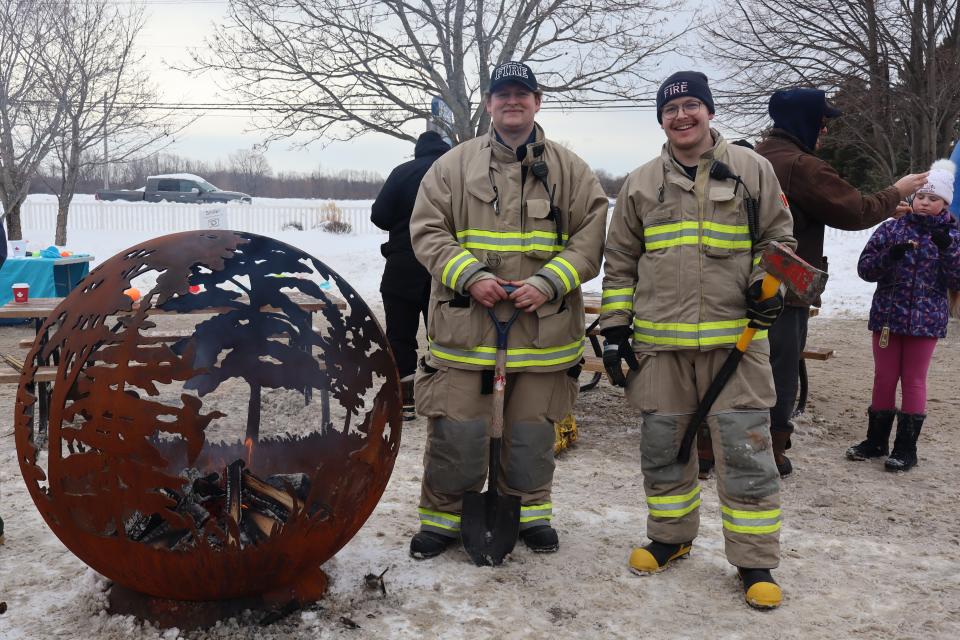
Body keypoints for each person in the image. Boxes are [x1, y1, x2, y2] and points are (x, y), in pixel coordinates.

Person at [599, 71, 796, 609]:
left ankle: (755, 559)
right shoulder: (640, 184)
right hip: (661, 350)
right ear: (661, 120)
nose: (681, 116)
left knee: (747, 455)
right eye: (671, 109)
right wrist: (616, 329)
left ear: (709, 111)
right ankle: (670, 538)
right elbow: (619, 265)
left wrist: (766, 284)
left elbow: (779, 240)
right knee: (663, 451)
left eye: (691, 105)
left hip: (737, 344)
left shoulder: (752, 169)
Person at [408, 61, 607, 559]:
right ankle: (443, 519)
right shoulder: (450, 167)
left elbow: (591, 239)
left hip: (543, 334)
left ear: (537, 102)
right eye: (502, 95)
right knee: (457, 431)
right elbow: (427, 232)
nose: (512, 102)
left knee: (531, 433)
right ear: (489, 105)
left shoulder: (571, 170)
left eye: (522, 94)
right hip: (467, 332)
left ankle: (531, 513)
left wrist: (548, 282)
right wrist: (471, 277)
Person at [752, 87, 930, 477]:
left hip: (742, 286)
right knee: (780, 373)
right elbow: (853, 211)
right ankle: (770, 450)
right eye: (822, 122)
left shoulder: (754, 157)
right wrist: (895, 191)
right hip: (783, 289)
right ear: (804, 121)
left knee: (742, 366)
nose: (826, 132)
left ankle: (720, 444)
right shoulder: (803, 166)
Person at [846, 160, 960, 472]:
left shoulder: (952, 236)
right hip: (887, 317)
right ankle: (876, 441)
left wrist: (947, 249)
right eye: (921, 196)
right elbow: (865, 269)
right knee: (883, 378)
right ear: (912, 198)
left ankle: (906, 448)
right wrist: (890, 255)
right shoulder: (892, 228)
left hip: (926, 322)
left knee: (913, 380)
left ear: (944, 203)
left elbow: (957, 280)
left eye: (933, 198)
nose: (925, 202)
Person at [371, 130, 451, 420]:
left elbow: (379, 215)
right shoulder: (454, 171)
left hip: (402, 265)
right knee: (444, 335)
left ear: (418, 151)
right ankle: (442, 396)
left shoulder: (402, 172)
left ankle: (404, 399)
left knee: (400, 334)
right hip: (444, 267)